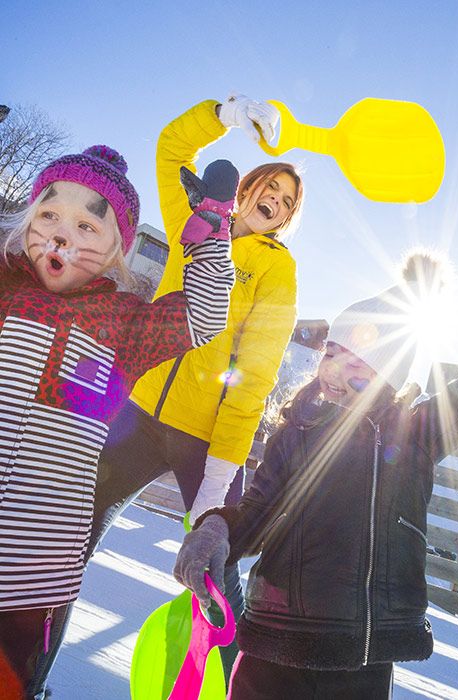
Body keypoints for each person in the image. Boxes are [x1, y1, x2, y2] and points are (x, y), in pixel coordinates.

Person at [29, 92, 304, 697]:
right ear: (249, 187)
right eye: (270, 189)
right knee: (60, 543)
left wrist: (219, 473)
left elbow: (255, 374)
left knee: (218, 575)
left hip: (206, 437)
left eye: (287, 203)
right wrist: (225, 115)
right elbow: (171, 147)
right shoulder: (198, 218)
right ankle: (28, 678)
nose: (275, 203)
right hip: (134, 411)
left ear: (286, 219)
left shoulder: (277, 270)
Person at [171, 245, 458, 699]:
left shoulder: (416, 434)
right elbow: (257, 511)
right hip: (276, 640)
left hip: (361, 655)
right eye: (332, 354)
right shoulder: (296, 432)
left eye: (358, 365)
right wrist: (218, 529)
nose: (336, 374)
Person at [0, 144, 235, 697]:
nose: (61, 236)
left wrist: (212, 232)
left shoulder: (124, 327)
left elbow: (203, 315)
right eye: (49, 215)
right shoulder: (6, 295)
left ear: (115, 253)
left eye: (86, 225)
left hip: (34, 578)